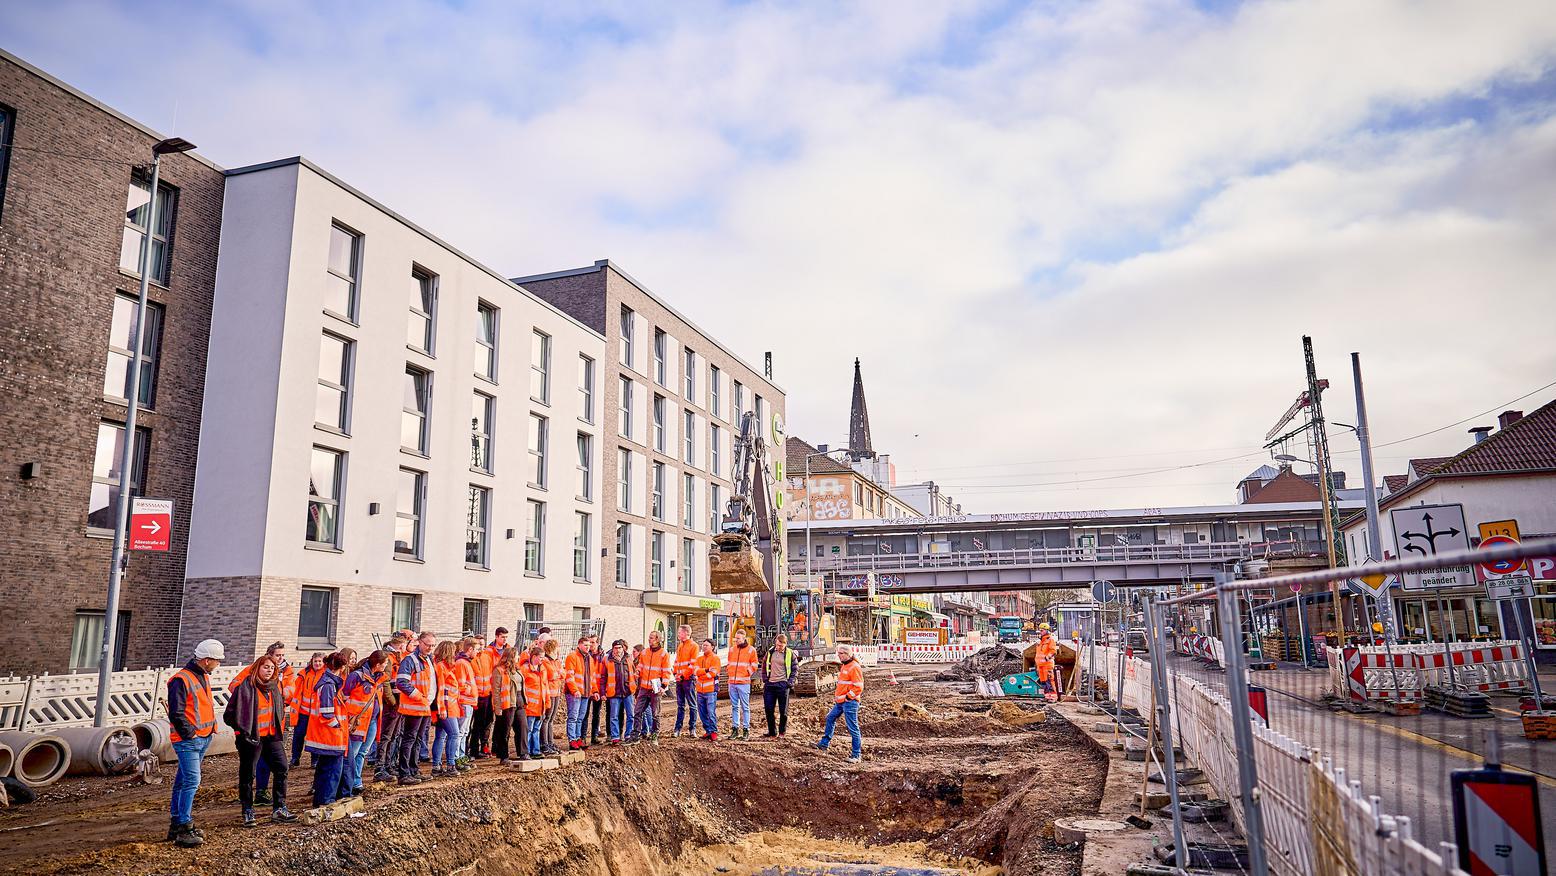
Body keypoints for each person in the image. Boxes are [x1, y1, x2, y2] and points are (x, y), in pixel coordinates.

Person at [223, 654, 297, 827]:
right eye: (265, 667)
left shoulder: (274, 687)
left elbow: (279, 708)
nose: (269, 671)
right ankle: (247, 810)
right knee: (248, 774)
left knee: (282, 768)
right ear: (257, 668)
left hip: (271, 736)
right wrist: (242, 731)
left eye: (272, 668)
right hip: (251, 738)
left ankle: (279, 808)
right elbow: (229, 715)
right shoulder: (245, 687)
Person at [166, 638, 223, 846]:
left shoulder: (201, 676)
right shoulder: (181, 680)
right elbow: (176, 712)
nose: (218, 664)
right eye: (217, 660)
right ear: (206, 660)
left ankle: (177, 824)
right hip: (189, 740)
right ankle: (184, 826)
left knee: (183, 781)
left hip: (200, 737)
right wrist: (190, 734)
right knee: (191, 781)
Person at [339, 650, 388, 799]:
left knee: (362, 752)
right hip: (358, 722)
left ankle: (356, 781)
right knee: (352, 754)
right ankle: (346, 784)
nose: (386, 666)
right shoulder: (357, 676)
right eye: (385, 663)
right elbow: (344, 696)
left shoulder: (378, 677)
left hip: (371, 721)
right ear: (378, 664)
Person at [303, 652, 349, 807]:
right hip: (331, 736)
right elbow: (327, 713)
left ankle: (321, 801)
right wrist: (339, 727)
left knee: (324, 769)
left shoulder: (325, 682)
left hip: (324, 735)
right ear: (342, 667)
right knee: (332, 771)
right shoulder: (329, 685)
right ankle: (327, 801)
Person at [395, 632, 437, 784]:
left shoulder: (428, 659)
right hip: (414, 706)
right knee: (410, 739)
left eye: (432, 645)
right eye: (427, 645)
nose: (430, 648)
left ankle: (413, 770)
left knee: (418, 739)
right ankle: (404, 773)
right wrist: (419, 696)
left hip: (425, 706)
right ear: (419, 642)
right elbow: (401, 682)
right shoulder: (410, 660)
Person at [816, 644, 864, 763]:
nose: (839, 656)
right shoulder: (845, 665)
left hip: (849, 702)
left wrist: (848, 697)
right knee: (830, 718)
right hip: (841, 702)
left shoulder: (854, 667)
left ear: (848, 654)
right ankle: (824, 744)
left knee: (852, 727)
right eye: (838, 653)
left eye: (841, 653)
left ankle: (856, 755)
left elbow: (858, 687)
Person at [371, 635, 407, 782]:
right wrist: (392, 701)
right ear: (401, 645)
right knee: (387, 735)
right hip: (392, 703)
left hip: (397, 701)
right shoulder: (389, 658)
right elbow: (386, 682)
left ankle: (389, 764)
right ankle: (380, 767)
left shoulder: (396, 657)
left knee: (394, 734)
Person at [631, 631, 672, 744]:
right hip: (644, 687)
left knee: (655, 713)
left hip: (656, 688)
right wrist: (638, 671)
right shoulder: (644, 652)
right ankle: (635, 736)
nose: (649, 639)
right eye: (649, 638)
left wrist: (663, 686)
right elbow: (641, 665)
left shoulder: (663, 654)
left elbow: (666, 671)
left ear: (658, 640)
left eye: (652, 638)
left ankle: (654, 735)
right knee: (637, 711)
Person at [470, 629, 504, 758]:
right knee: (475, 725)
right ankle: (472, 749)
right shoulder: (471, 659)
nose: (481, 647)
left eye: (483, 644)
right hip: (476, 696)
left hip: (487, 694)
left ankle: (484, 746)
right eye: (479, 644)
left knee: (487, 722)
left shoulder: (487, 657)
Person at [430, 640, 461, 777]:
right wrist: (442, 709)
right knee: (454, 734)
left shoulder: (443, 666)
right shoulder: (442, 667)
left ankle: (437, 765)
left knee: (440, 736)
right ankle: (450, 765)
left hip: (447, 706)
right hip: (447, 707)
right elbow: (442, 689)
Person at [289, 652, 325, 767]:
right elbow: (296, 691)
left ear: (323, 662)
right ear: (311, 661)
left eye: (320, 661)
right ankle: (295, 758)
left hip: (317, 714)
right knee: (298, 736)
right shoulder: (304, 674)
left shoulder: (325, 674)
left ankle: (315, 760)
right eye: (315, 661)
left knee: (315, 737)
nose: (317, 663)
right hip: (303, 713)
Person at [762, 633, 800, 738]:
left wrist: (790, 682)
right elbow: (764, 665)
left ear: (785, 644)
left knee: (783, 711)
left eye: (781, 646)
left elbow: (795, 669)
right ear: (776, 643)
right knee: (769, 710)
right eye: (778, 645)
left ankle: (782, 732)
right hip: (770, 685)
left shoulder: (790, 654)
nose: (779, 647)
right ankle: (772, 732)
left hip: (782, 685)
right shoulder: (770, 652)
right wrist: (765, 679)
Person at [564, 636, 598, 750]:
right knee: (573, 717)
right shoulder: (572, 657)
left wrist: (595, 691)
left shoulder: (590, 659)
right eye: (585, 645)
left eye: (589, 645)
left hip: (585, 693)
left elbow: (592, 677)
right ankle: (572, 740)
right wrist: (574, 690)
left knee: (580, 717)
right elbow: (569, 676)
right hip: (574, 693)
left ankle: (578, 738)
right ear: (579, 645)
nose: (588, 647)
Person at [488, 648, 522, 763]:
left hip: (514, 703)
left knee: (511, 730)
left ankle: (503, 753)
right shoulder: (499, 670)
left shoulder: (515, 670)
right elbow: (496, 691)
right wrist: (497, 707)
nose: (518, 657)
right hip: (505, 705)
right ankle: (503, 756)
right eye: (517, 655)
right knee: (504, 731)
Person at [725, 628, 758, 740]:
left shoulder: (751, 650)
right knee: (734, 707)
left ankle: (746, 730)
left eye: (738, 639)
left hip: (743, 683)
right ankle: (735, 729)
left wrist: (747, 672)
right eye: (736, 638)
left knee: (745, 707)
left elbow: (755, 664)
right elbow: (729, 663)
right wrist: (729, 671)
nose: (736, 640)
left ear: (744, 638)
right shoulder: (732, 650)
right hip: (732, 682)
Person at [600, 639, 635, 744]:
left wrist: (635, 687)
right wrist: (603, 692)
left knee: (631, 715)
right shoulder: (607, 659)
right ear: (613, 649)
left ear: (623, 648)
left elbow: (634, 674)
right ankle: (615, 737)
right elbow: (603, 677)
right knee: (613, 716)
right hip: (614, 693)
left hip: (628, 691)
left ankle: (628, 734)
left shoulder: (628, 658)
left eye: (620, 648)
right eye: (616, 648)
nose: (618, 650)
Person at [520, 643, 550, 757]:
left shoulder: (542, 669)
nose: (543, 659)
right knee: (529, 729)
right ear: (534, 656)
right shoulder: (525, 669)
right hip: (530, 706)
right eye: (541, 657)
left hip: (540, 706)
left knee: (536, 729)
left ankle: (535, 751)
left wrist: (547, 702)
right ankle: (527, 751)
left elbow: (545, 687)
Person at [454, 637, 478, 770]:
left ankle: (461, 757)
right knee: (461, 731)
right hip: (464, 701)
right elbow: (460, 684)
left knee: (464, 731)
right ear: (470, 649)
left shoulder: (466, 663)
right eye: (476, 649)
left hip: (468, 701)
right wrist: (468, 690)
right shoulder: (462, 663)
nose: (478, 652)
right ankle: (456, 758)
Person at [672, 625, 699, 737]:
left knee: (692, 704)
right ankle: (677, 729)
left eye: (680, 632)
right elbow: (677, 662)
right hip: (680, 679)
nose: (678, 634)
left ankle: (692, 729)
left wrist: (682, 676)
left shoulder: (694, 646)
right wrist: (675, 673)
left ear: (686, 633)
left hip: (688, 680)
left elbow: (693, 664)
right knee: (680, 705)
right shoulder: (680, 646)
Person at [694, 639, 721, 741]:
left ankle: (713, 731)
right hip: (700, 690)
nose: (704, 647)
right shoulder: (699, 658)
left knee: (711, 712)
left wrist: (701, 675)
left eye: (706, 645)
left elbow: (713, 673)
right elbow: (695, 671)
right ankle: (708, 731)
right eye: (703, 645)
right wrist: (705, 670)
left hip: (710, 690)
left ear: (712, 647)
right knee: (702, 712)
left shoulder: (715, 658)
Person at [540, 639, 563, 755]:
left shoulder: (556, 661)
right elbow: (551, 675)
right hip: (549, 693)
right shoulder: (545, 661)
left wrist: (558, 674)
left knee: (551, 719)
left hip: (556, 692)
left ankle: (550, 742)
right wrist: (558, 673)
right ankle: (544, 743)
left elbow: (563, 673)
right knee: (546, 718)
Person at [1034, 624, 1058, 696]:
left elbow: (1053, 651)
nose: (1040, 632)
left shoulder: (1050, 640)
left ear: (1047, 631)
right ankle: (1047, 696)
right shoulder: (1040, 642)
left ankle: (1053, 696)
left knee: (1050, 681)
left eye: (1042, 630)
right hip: (1040, 666)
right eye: (1040, 630)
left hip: (1047, 665)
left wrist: (1047, 657)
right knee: (1044, 682)